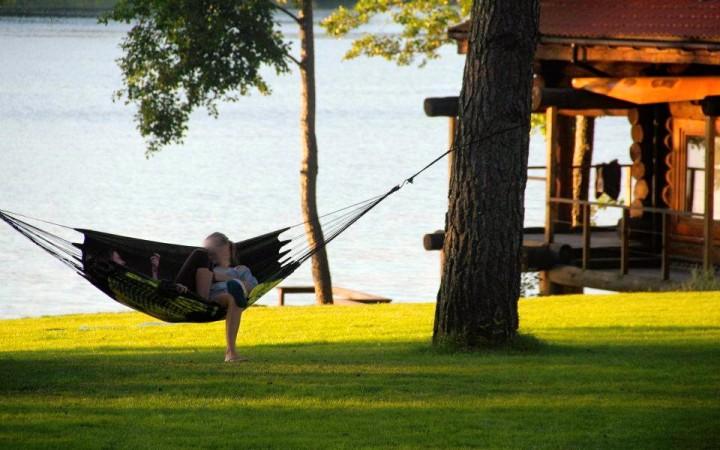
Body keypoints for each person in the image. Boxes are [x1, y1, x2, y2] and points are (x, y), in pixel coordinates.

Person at [158, 232, 257, 363]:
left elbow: (253, 286)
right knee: (200, 255)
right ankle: (230, 352)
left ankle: (231, 353)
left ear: (224, 248)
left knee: (234, 299)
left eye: (210, 251)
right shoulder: (205, 266)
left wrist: (233, 280)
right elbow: (198, 279)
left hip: (226, 297)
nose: (208, 255)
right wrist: (216, 277)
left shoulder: (240, 270)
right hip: (205, 298)